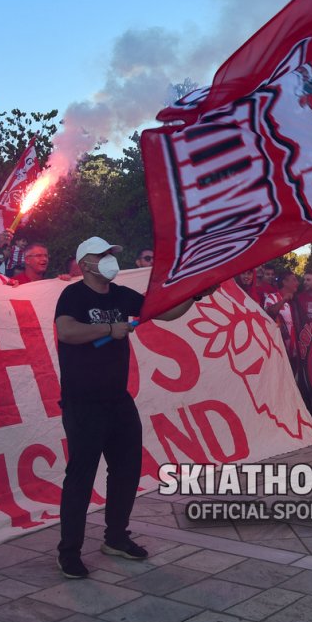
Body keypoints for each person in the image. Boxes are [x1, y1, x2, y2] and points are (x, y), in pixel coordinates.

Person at [54, 236, 202, 579]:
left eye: (111, 253)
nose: (110, 259)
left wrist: (194, 294)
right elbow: (66, 331)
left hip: (118, 400)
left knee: (126, 470)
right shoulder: (73, 295)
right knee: (80, 477)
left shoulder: (121, 294)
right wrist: (107, 328)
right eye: (103, 255)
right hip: (83, 403)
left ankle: (116, 537)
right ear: (86, 263)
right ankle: (69, 552)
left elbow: (164, 312)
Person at [264, 274, 302, 374]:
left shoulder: (296, 301)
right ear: (284, 282)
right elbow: (269, 313)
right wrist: (284, 300)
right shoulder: (272, 297)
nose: (297, 283)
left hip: (296, 354)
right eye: (294, 280)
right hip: (279, 352)